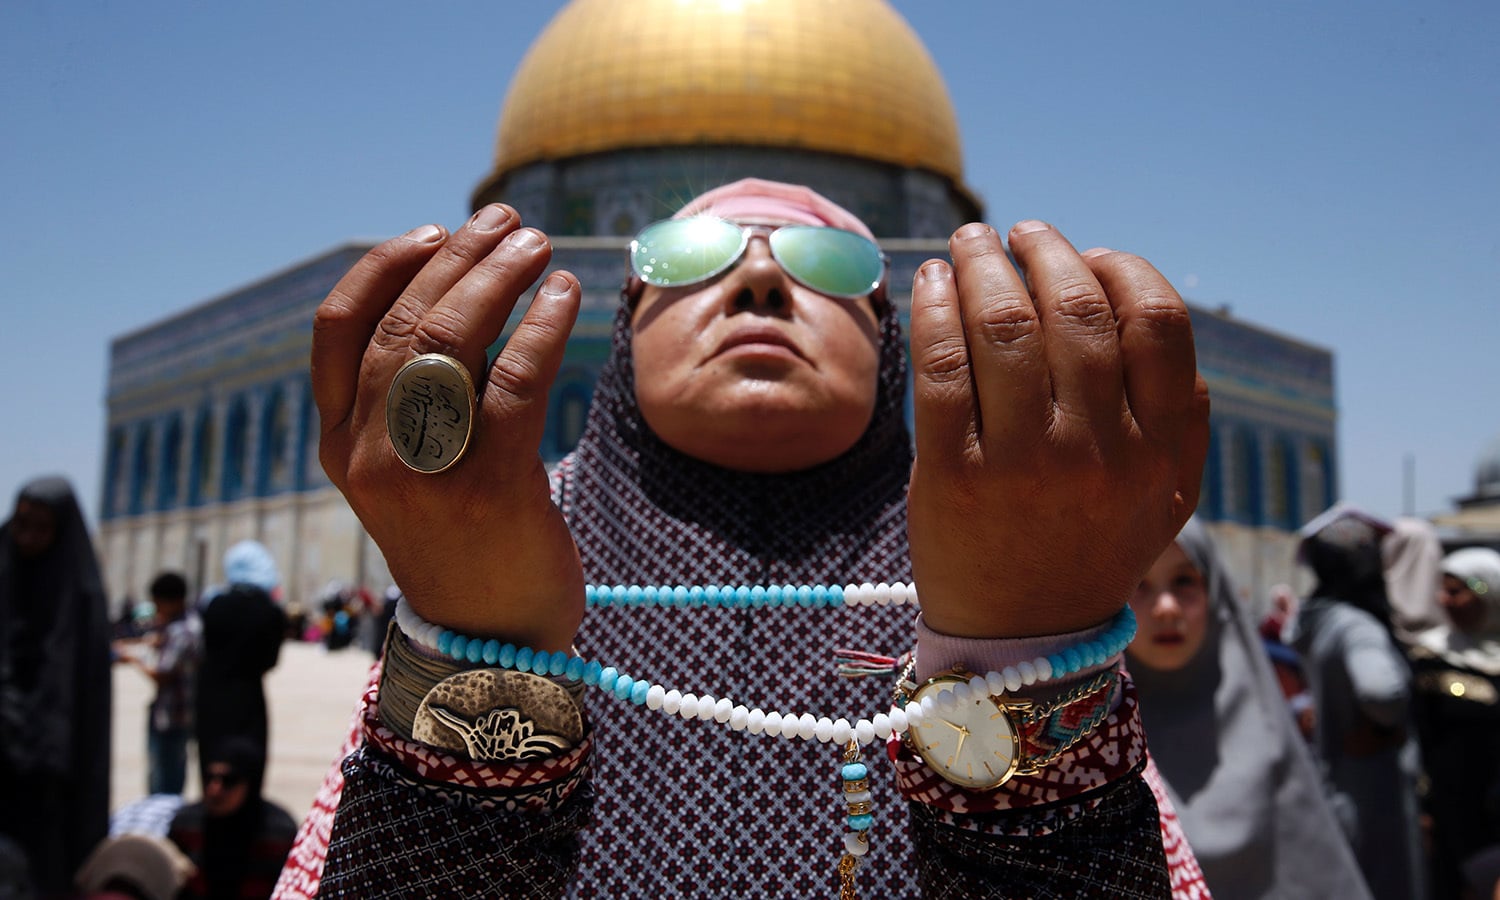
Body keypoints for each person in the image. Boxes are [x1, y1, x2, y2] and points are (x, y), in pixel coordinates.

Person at [278, 178, 1211, 897]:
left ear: (893, 346)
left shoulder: (1011, 554)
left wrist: (1027, 638)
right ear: (626, 333)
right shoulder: (497, 536)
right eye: (689, 258)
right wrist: (471, 638)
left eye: (830, 264)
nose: (760, 278)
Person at [1127, 517, 1369, 898]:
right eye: (1137, 584)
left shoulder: (1266, 718)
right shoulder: (1086, 738)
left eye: (1185, 581)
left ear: (1216, 591)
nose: (1165, 608)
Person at [1290, 505, 1427, 900]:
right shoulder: (1356, 626)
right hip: (1376, 791)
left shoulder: (1317, 618)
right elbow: (1381, 690)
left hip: (1335, 781)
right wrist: (1388, 725)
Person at [0, 477, 112, 896]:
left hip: (50, 782)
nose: (27, 538)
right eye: (21, 524)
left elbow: (82, 703)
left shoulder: (78, 599)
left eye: (40, 528)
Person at [1408, 547, 1500, 899]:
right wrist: (1422, 807)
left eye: (1456, 591)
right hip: (1450, 810)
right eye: (1442, 590)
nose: (1444, 600)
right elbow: (1418, 737)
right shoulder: (1430, 657)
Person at [195, 542, 286, 786]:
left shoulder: (214, 605)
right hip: (248, 695)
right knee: (247, 763)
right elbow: (270, 660)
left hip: (210, 693)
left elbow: (204, 648)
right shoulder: (271, 611)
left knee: (211, 758)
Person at [168, 738, 296, 900]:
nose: (215, 789)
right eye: (209, 778)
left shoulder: (278, 832)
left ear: (249, 785)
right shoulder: (187, 824)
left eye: (228, 781)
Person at [116, 571, 202, 796]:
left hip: (172, 716)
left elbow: (162, 674)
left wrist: (133, 658)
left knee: (164, 780)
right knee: (168, 774)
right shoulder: (184, 625)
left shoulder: (182, 631)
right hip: (176, 714)